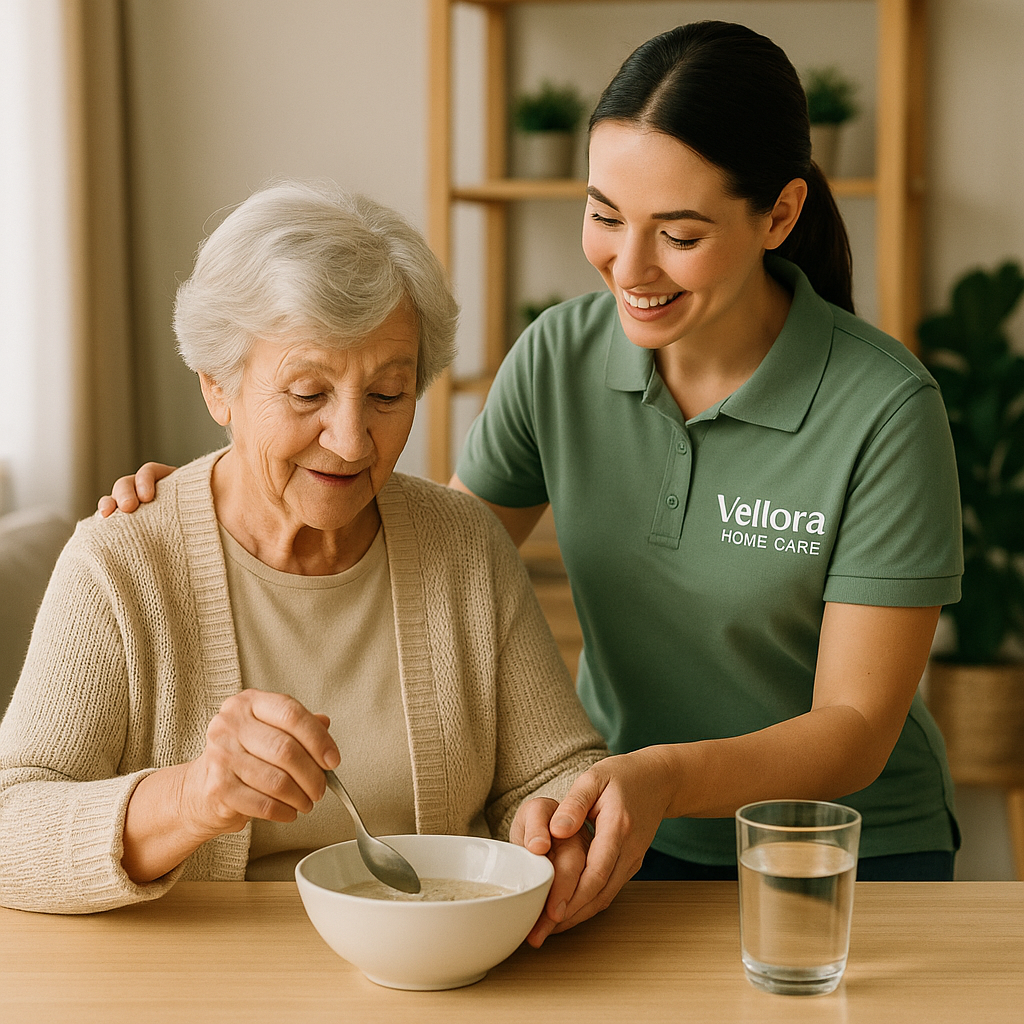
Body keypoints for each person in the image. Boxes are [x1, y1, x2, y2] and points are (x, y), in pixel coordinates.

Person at [99, 21, 964, 942]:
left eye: (678, 234)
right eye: (604, 216)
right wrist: (225, 493)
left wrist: (663, 774)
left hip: (841, 857)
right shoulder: (559, 357)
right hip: (618, 841)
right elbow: (425, 557)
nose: (627, 270)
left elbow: (857, 726)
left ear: (780, 216)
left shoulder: (884, 408)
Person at [0, 181, 615, 935]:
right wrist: (194, 797)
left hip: (441, 972)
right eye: (307, 393)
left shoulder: (463, 543)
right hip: (201, 983)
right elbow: (8, 823)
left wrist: (554, 833)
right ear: (217, 387)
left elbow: (554, 774)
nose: (353, 441)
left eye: (388, 395)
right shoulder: (123, 562)